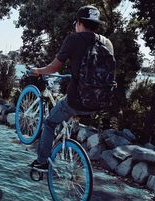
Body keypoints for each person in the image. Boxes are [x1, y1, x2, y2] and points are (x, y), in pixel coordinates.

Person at [30, 5, 114, 170]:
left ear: (79, 23)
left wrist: (38, 71)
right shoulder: (107, 43)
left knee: (49, 123)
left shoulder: (73, 39)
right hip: (100, 103)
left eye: (76, 22)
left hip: (76, 100)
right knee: (64, 113)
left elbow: (53, 68)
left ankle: (41, 162)